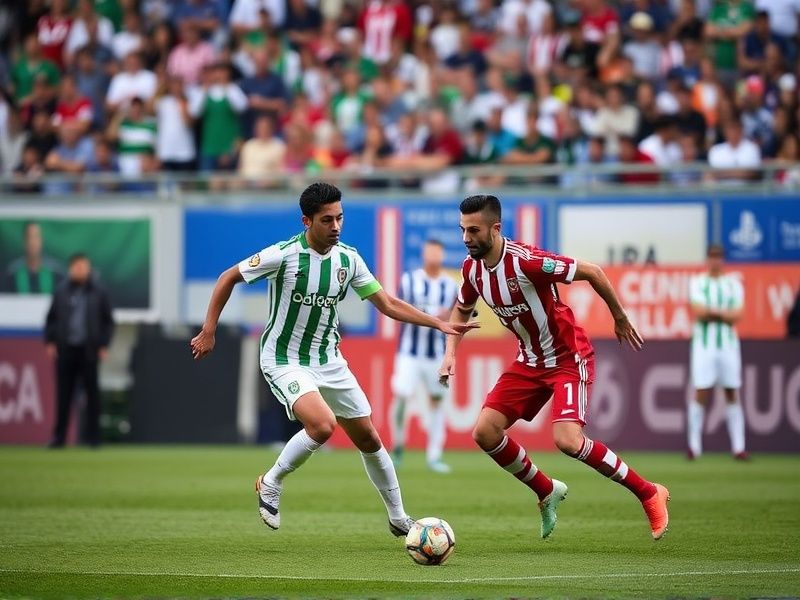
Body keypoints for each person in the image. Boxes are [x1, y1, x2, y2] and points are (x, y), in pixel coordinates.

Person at [190, 182, 476, 537]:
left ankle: (399, 517)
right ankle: (271, 482)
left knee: (369, 438)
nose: (337, 226)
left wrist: (437, 323)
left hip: (329, 360)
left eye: (340, 218)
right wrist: (209, 329)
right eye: (328, 220)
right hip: (284, 357)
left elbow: (386, 303)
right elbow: (227, 277)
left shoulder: (348, 258)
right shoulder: (283, 255)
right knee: (323, 426)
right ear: (307, 222)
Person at [439, 195, 669, 541]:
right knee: (484, 432)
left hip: (566, 358)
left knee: (567, 440)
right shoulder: (472, 270)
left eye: (474, 230)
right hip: (529, 360)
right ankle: (546, 490)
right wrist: (450, 352)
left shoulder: (528, 262)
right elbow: (461, 308)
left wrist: (620, 318)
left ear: (496, 229)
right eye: (462, 230)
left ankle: (648, 492)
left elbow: (593, 272)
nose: (466, 238)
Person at [390, 240, 459, 473]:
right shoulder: (410, 280)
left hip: (436, 355)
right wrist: (428, 316)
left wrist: (447, 317)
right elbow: (398, 309)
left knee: (437, 401)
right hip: (409, 352)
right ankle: (398, 446)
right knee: (401, 396)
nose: (433, 255)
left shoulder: (451, 286)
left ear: (442, 254)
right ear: (423, 254)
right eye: (429, 251)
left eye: (437, 251)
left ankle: (434, 455)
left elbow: (458, 315)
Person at [44, 254, 114, 448]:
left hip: (89, 350)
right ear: (70, 269)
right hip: (66, 349)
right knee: (63, 396)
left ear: (89, 268)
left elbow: (108, 322)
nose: (80, 270)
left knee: (92, 396)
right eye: (76, 266)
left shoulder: (99, 292)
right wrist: (50, 342)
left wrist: (103, 344)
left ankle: (94, 439)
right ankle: (59, 438)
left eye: (83, 266)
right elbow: (51, 319)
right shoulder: (61, 291)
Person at [687, 244, 747, 460]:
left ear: (723, 259)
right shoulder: (698, 282)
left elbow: (737, 315)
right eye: (712, 257)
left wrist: (713, 313)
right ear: (708, 259)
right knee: (701, 390)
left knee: (732, 391)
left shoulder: (733, 284)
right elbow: (699, 312)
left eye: (719, 257)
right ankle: (694, 446)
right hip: (704, 346)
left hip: (728, 346)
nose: (716, 261)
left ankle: (739, 447)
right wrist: (723, 313)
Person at [4, 221, 63, 294]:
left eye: (36, 237)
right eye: (29, 237)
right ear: (24, 241)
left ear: (42, 240)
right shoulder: (12, 274)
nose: (32, 242)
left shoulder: (56, 273)